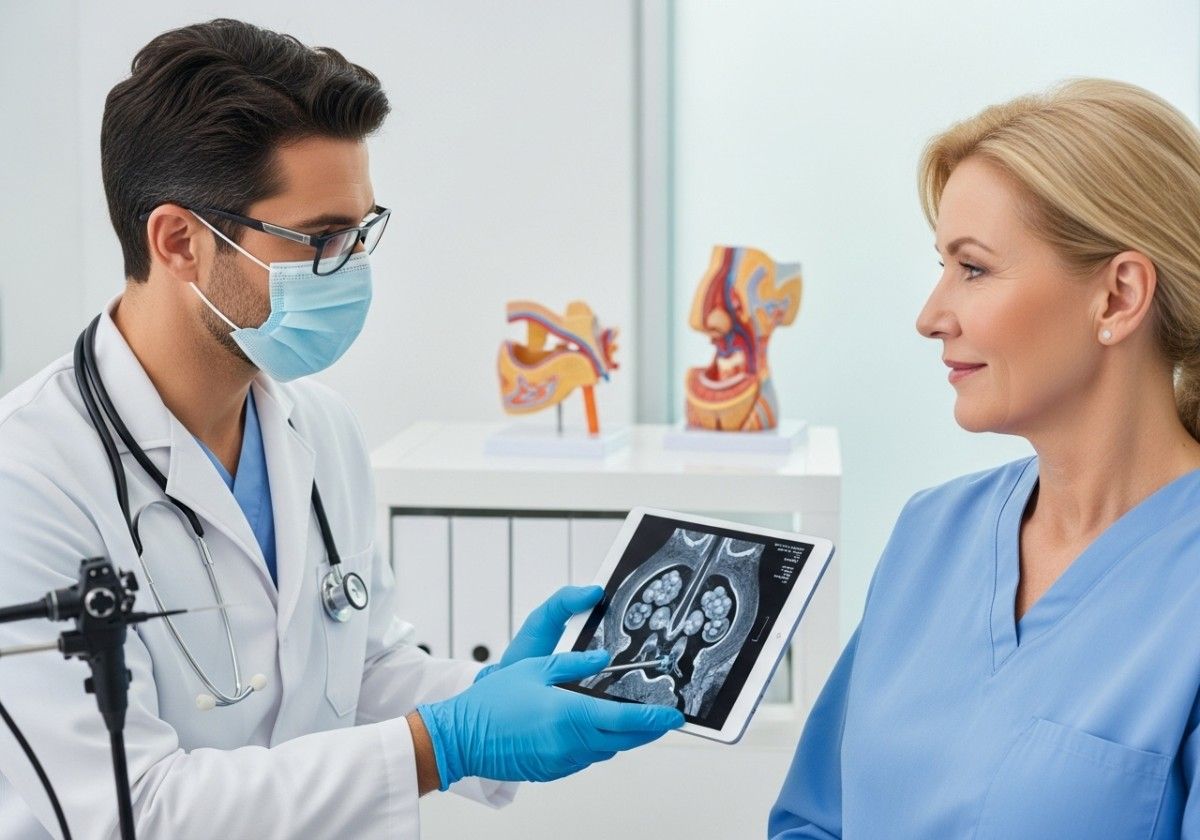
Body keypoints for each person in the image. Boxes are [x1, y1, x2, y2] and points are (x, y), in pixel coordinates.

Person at [0, 19, 682, 839]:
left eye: (362, 232)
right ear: (180, 241)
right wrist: (445, 743)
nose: (352, 268)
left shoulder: (315, 426)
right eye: (321, 239)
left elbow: (354, 666)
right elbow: (132, 809)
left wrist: (487, 694)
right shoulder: (28, 478)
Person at [770, 78, 1200, 839]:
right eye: (941, 266)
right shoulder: (932, 535)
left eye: (972, 268)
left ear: (1119, 297)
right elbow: (815, 821)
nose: (931, 316)